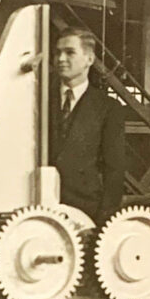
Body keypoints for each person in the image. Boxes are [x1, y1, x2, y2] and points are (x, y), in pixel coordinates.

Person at [51, 27, 126, 224]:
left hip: (86, 212)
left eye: (70, 52)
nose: (61, 59)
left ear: (89, 59)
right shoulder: (40, 100)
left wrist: (105, 218)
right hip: (40, 207)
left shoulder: (108, 108)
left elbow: (114, 169)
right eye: (57, 53)